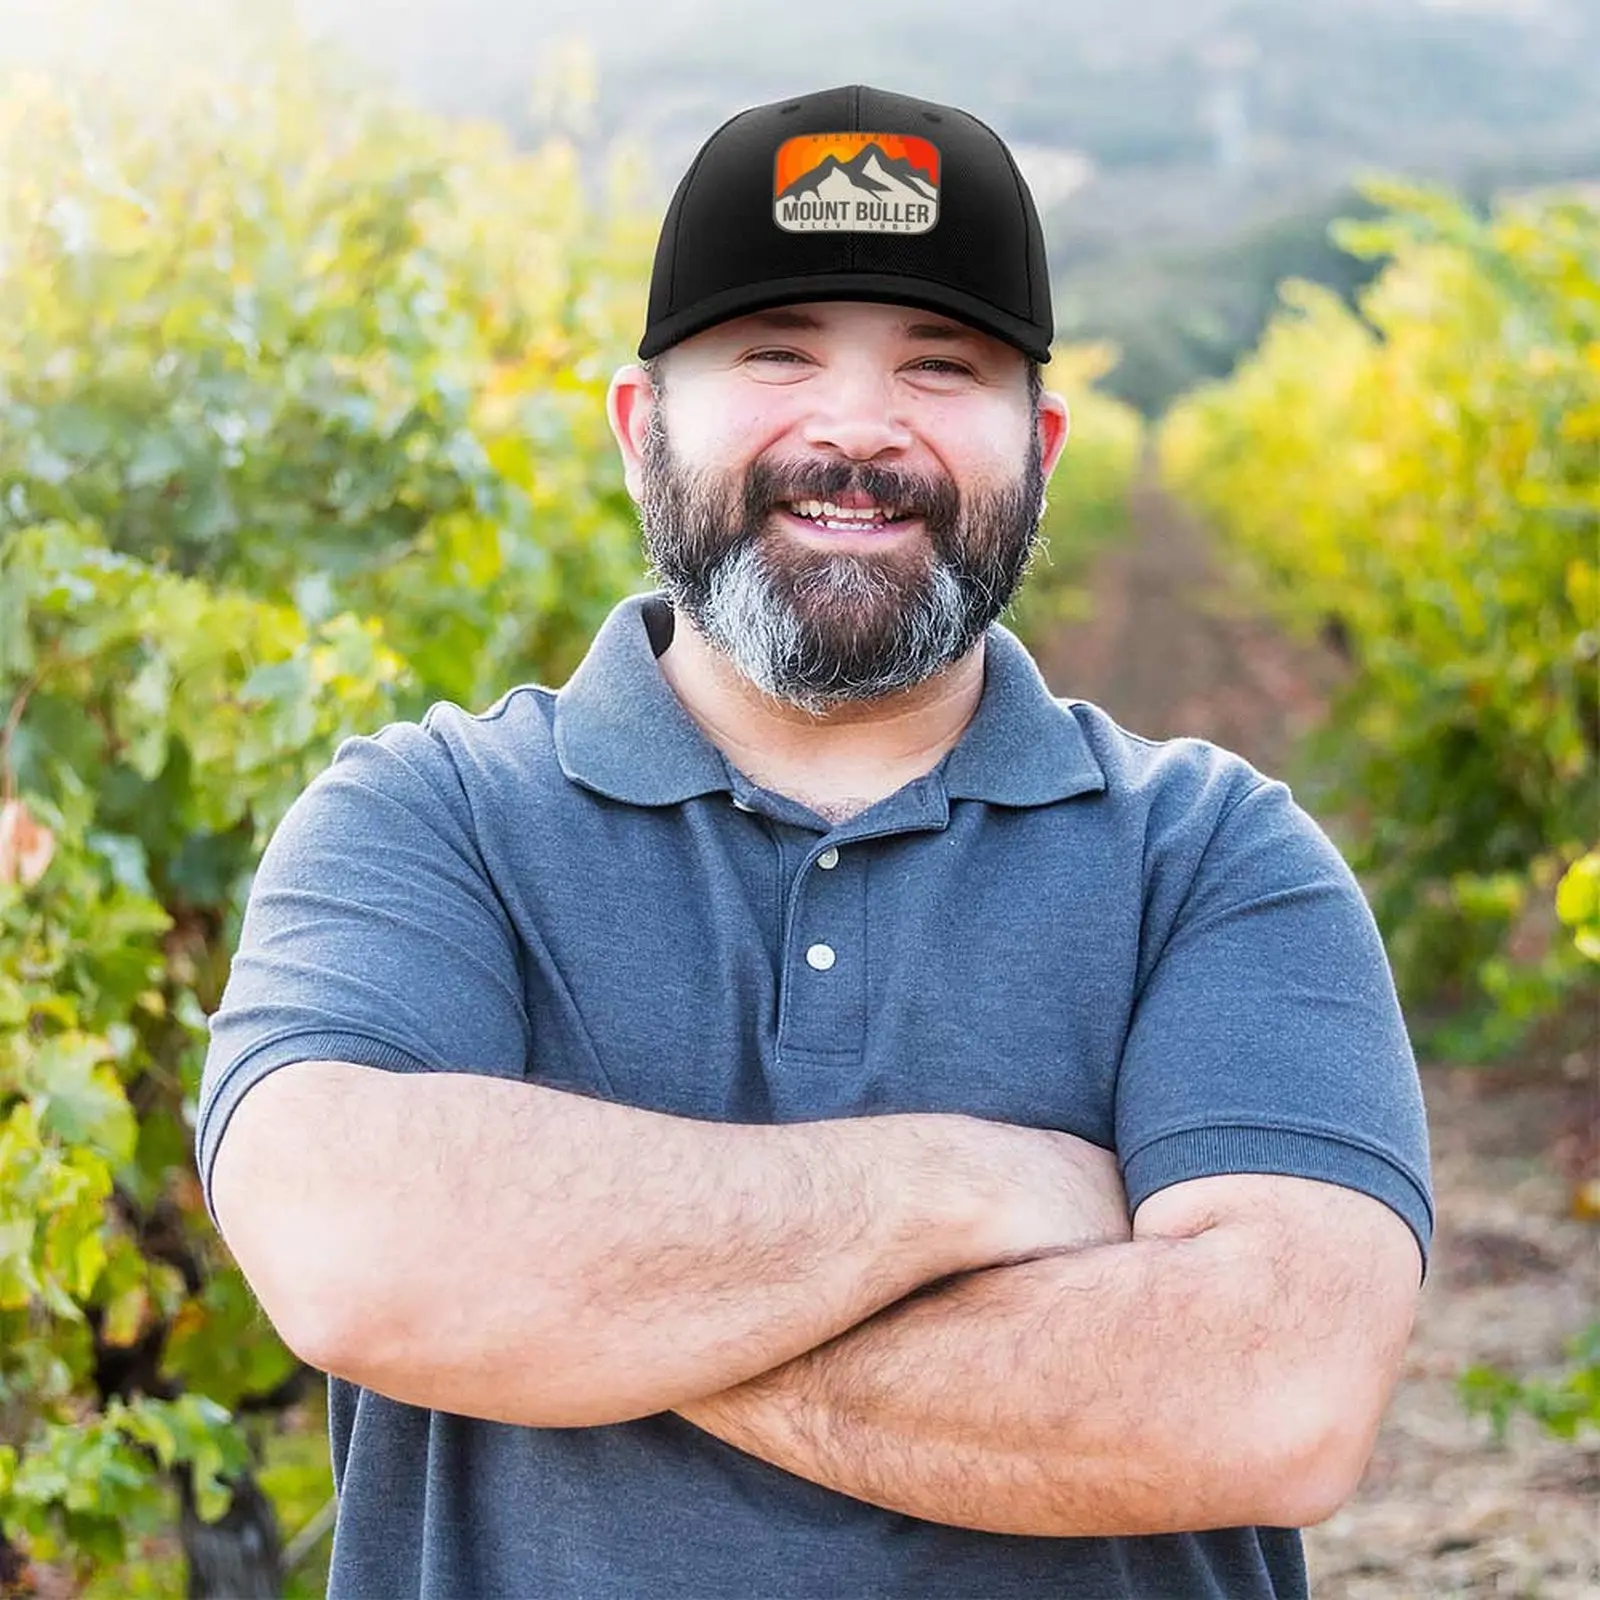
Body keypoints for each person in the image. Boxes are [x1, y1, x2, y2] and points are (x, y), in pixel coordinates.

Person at [200, 83, 1432, 1600]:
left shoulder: (1217, 858)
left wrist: (565, 1304)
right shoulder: (422, 818)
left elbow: (1268, 1398)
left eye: (941, 366)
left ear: (1038, 446)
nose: (858, 429)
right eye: (775, 355)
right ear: (641, 428)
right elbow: (353, 1249)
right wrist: (967, 1190)